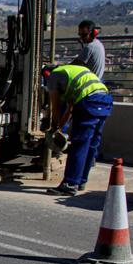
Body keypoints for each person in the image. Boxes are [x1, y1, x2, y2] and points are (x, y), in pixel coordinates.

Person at [43, 64, 113, 196]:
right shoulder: (73, 73)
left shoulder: (53, 76)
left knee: (80, 143)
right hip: (105, 99)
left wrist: (53, 127)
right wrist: (59, 128)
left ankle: (69, 184)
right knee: (92, 144)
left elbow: (56, 107)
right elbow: (69, 110)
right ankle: (80, 181)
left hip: (89, 100)